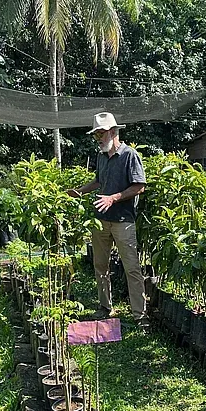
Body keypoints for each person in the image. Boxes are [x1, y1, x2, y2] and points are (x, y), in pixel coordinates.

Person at [68, 112, 149, 327]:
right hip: (100, 220)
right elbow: (98, 181)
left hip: (123, 220)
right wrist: (78, 192)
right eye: (96, 135)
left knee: (132, 267)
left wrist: (113, 198)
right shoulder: (101, 157)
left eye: (101, 134)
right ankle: (105, 307)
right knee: (100, 266)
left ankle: (139, 315)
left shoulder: (130, 155)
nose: (99, 139)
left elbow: (139, 186)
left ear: (113, 132)